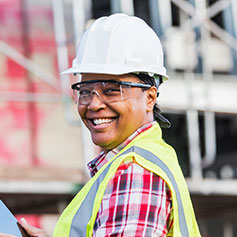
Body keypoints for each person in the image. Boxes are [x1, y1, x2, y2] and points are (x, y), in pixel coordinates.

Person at [0, 13, 201, 237]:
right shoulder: (144, 158)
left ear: (150, 98)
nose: (94, 104)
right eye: (85, 91)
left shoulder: (135, 171)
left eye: (112, 90)